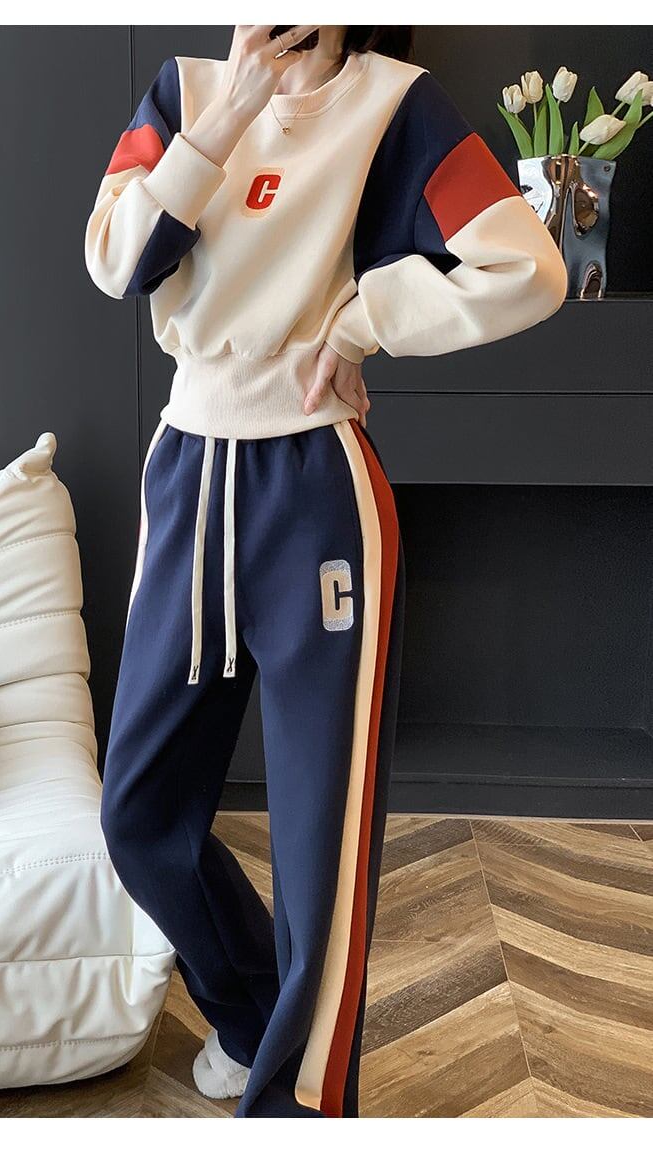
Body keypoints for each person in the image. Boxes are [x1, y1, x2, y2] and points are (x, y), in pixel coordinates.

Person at [84, 25, 567, 1119]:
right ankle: (255, 1021)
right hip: (187, 474)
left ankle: (298, 1111)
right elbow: (117, 260)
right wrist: (231, 109)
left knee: (322, 854)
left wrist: (363, 323)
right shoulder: (185, 91)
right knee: (140, 814)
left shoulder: (396, 107)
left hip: (314, 491)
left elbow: (529, 267)